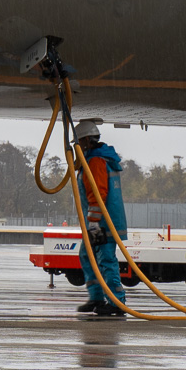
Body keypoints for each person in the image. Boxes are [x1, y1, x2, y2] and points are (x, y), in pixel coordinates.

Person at [74, 121, 129, 318]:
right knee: (86, 256)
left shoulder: (97, 161)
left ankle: (116, 301)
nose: (76, 146)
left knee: (106, 260)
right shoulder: (94, 159)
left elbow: (98, 193)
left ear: (87, 141)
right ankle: (97, 297)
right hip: (98, 220)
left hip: (104, 222)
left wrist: (94, 221)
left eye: (78, 142)